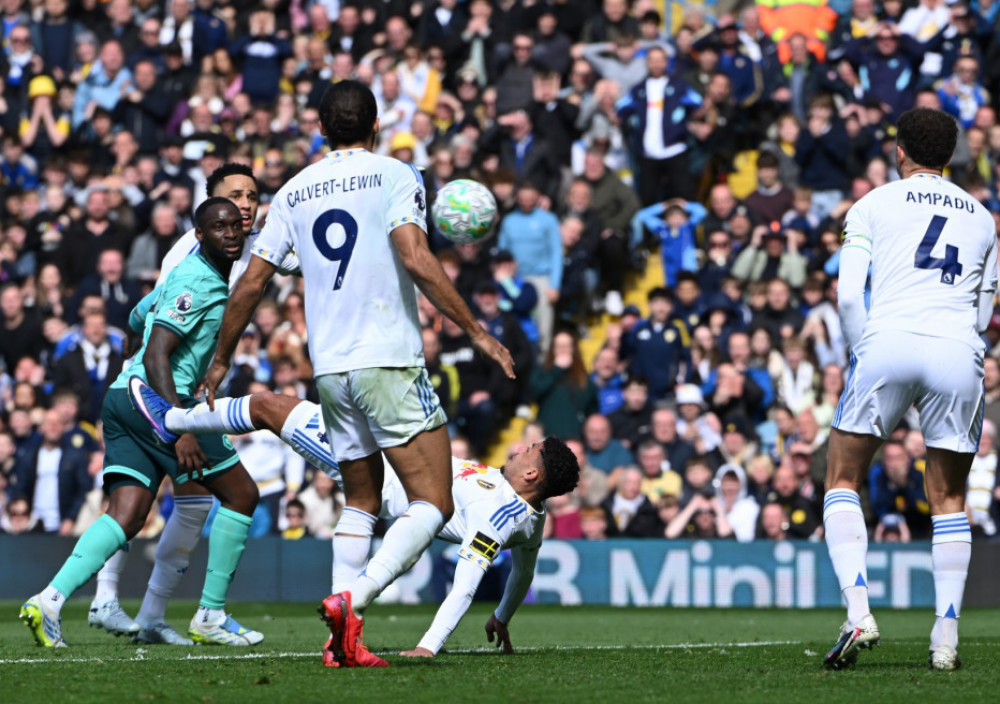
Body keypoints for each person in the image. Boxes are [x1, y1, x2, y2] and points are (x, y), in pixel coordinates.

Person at [202, 80, 514, 668]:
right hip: (388, 360)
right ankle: (353, 599)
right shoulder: (397, 175)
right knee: (434, 502)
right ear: (376, 127)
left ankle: (338, 644)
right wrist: (476, 331)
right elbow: (415, 257)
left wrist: (221, 359)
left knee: (362, 501)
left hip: (332, 369)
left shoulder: (293, 192)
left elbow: (250, 283)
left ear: (321, 130)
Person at [19, 199, 262, 649]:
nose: (231, 233)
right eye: (219, 227)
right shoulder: (199, 281)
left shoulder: (177, 279)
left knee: (127, 515)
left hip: (123, 396)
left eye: (236, 226)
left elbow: (135, 320)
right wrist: (182, 424)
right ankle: (209, 613)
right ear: (199, 234)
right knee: (243, 494)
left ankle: (48, 600)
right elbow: (155, 354)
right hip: (159, 403)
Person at [822, 108, 997, 672]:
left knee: (842, 476)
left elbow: (850, 297)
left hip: (889, 339)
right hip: (956, 349)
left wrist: (861, 353)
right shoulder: (983, 218)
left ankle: (858, 611)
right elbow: (986, 311)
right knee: (948, 499)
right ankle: (944, 639)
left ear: (900, 151)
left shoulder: (871, 203)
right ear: (950, 157)